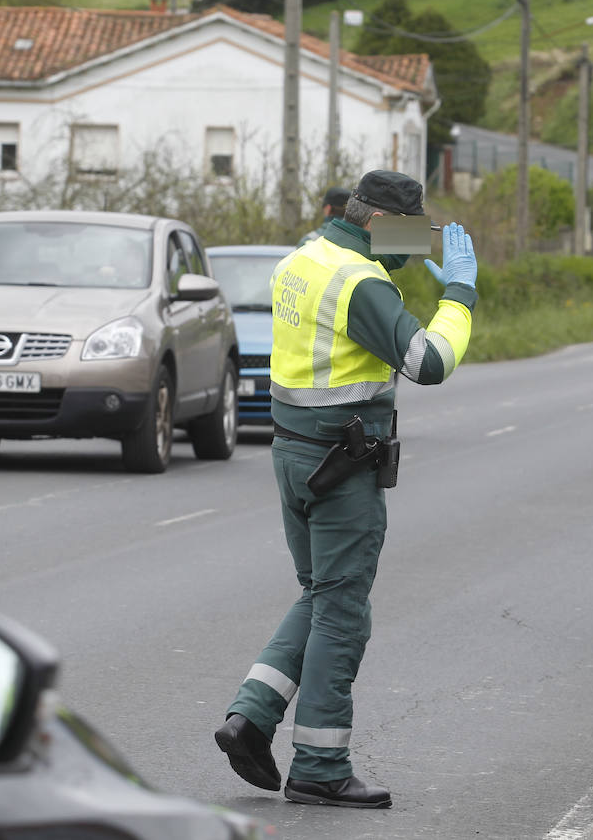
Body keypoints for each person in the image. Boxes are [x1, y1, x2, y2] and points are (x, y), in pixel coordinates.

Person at [215, 170, 477, 809]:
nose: (415, 252)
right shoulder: (359, 282)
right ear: (380, 223)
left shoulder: (303, 259)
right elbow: (429, 362)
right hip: (342, 464)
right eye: (411, 238)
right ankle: (321, 766)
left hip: (294, 454)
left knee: (320, 594)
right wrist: (462, 294)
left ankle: (251, 715)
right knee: (342, 611)